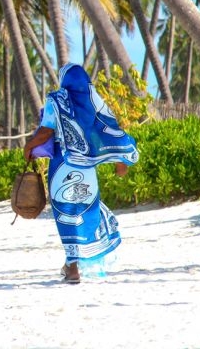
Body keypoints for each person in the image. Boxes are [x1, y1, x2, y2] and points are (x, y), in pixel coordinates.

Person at [23, 63, 139, 284]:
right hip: (86, 169)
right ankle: (73, 264)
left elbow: (46, 130)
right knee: (85, 211)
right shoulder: (93, 102)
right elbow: (109, 130)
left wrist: (28, 147)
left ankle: (73, 268)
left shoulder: (56, 100)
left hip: (62, 166)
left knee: (66, 214)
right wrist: (119, 160)